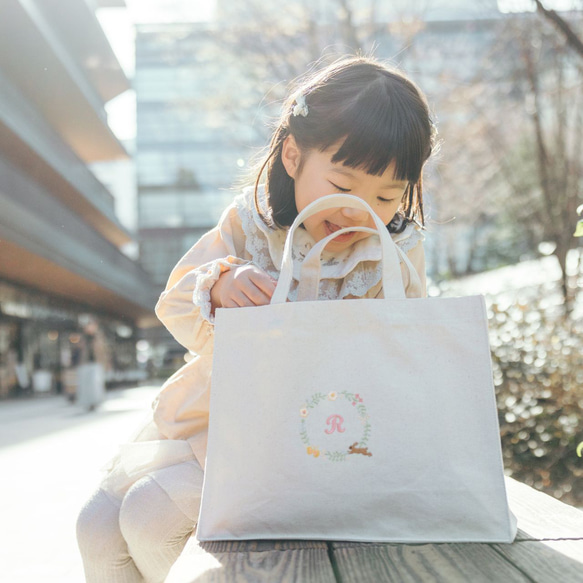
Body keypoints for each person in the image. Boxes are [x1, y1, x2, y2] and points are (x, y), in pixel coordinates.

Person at [76, 55, 436, 583]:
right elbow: (175, 303)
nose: (361, 210)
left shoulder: (393, 251)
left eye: (386, 196)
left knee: (148, 516)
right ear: (292, 154)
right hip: (221, 419)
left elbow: (406, 355)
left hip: (315, 441)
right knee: (95, 526)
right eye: (343, 184)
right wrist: (221, 284)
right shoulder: (251, 222)